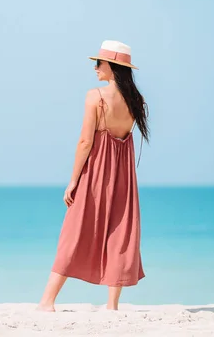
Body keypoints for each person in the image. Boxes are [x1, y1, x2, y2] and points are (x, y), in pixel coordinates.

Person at [37, 40, 149, 312]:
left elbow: (86, 142)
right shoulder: (136, 101)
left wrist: (74, 180)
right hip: (123, 174)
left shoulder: (95, 96)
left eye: (98, 63)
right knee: (120, 233)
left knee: (73, 231)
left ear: (111, 66)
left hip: (96, 172)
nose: (95, 68)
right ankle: (112, 305)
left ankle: (47, 301)